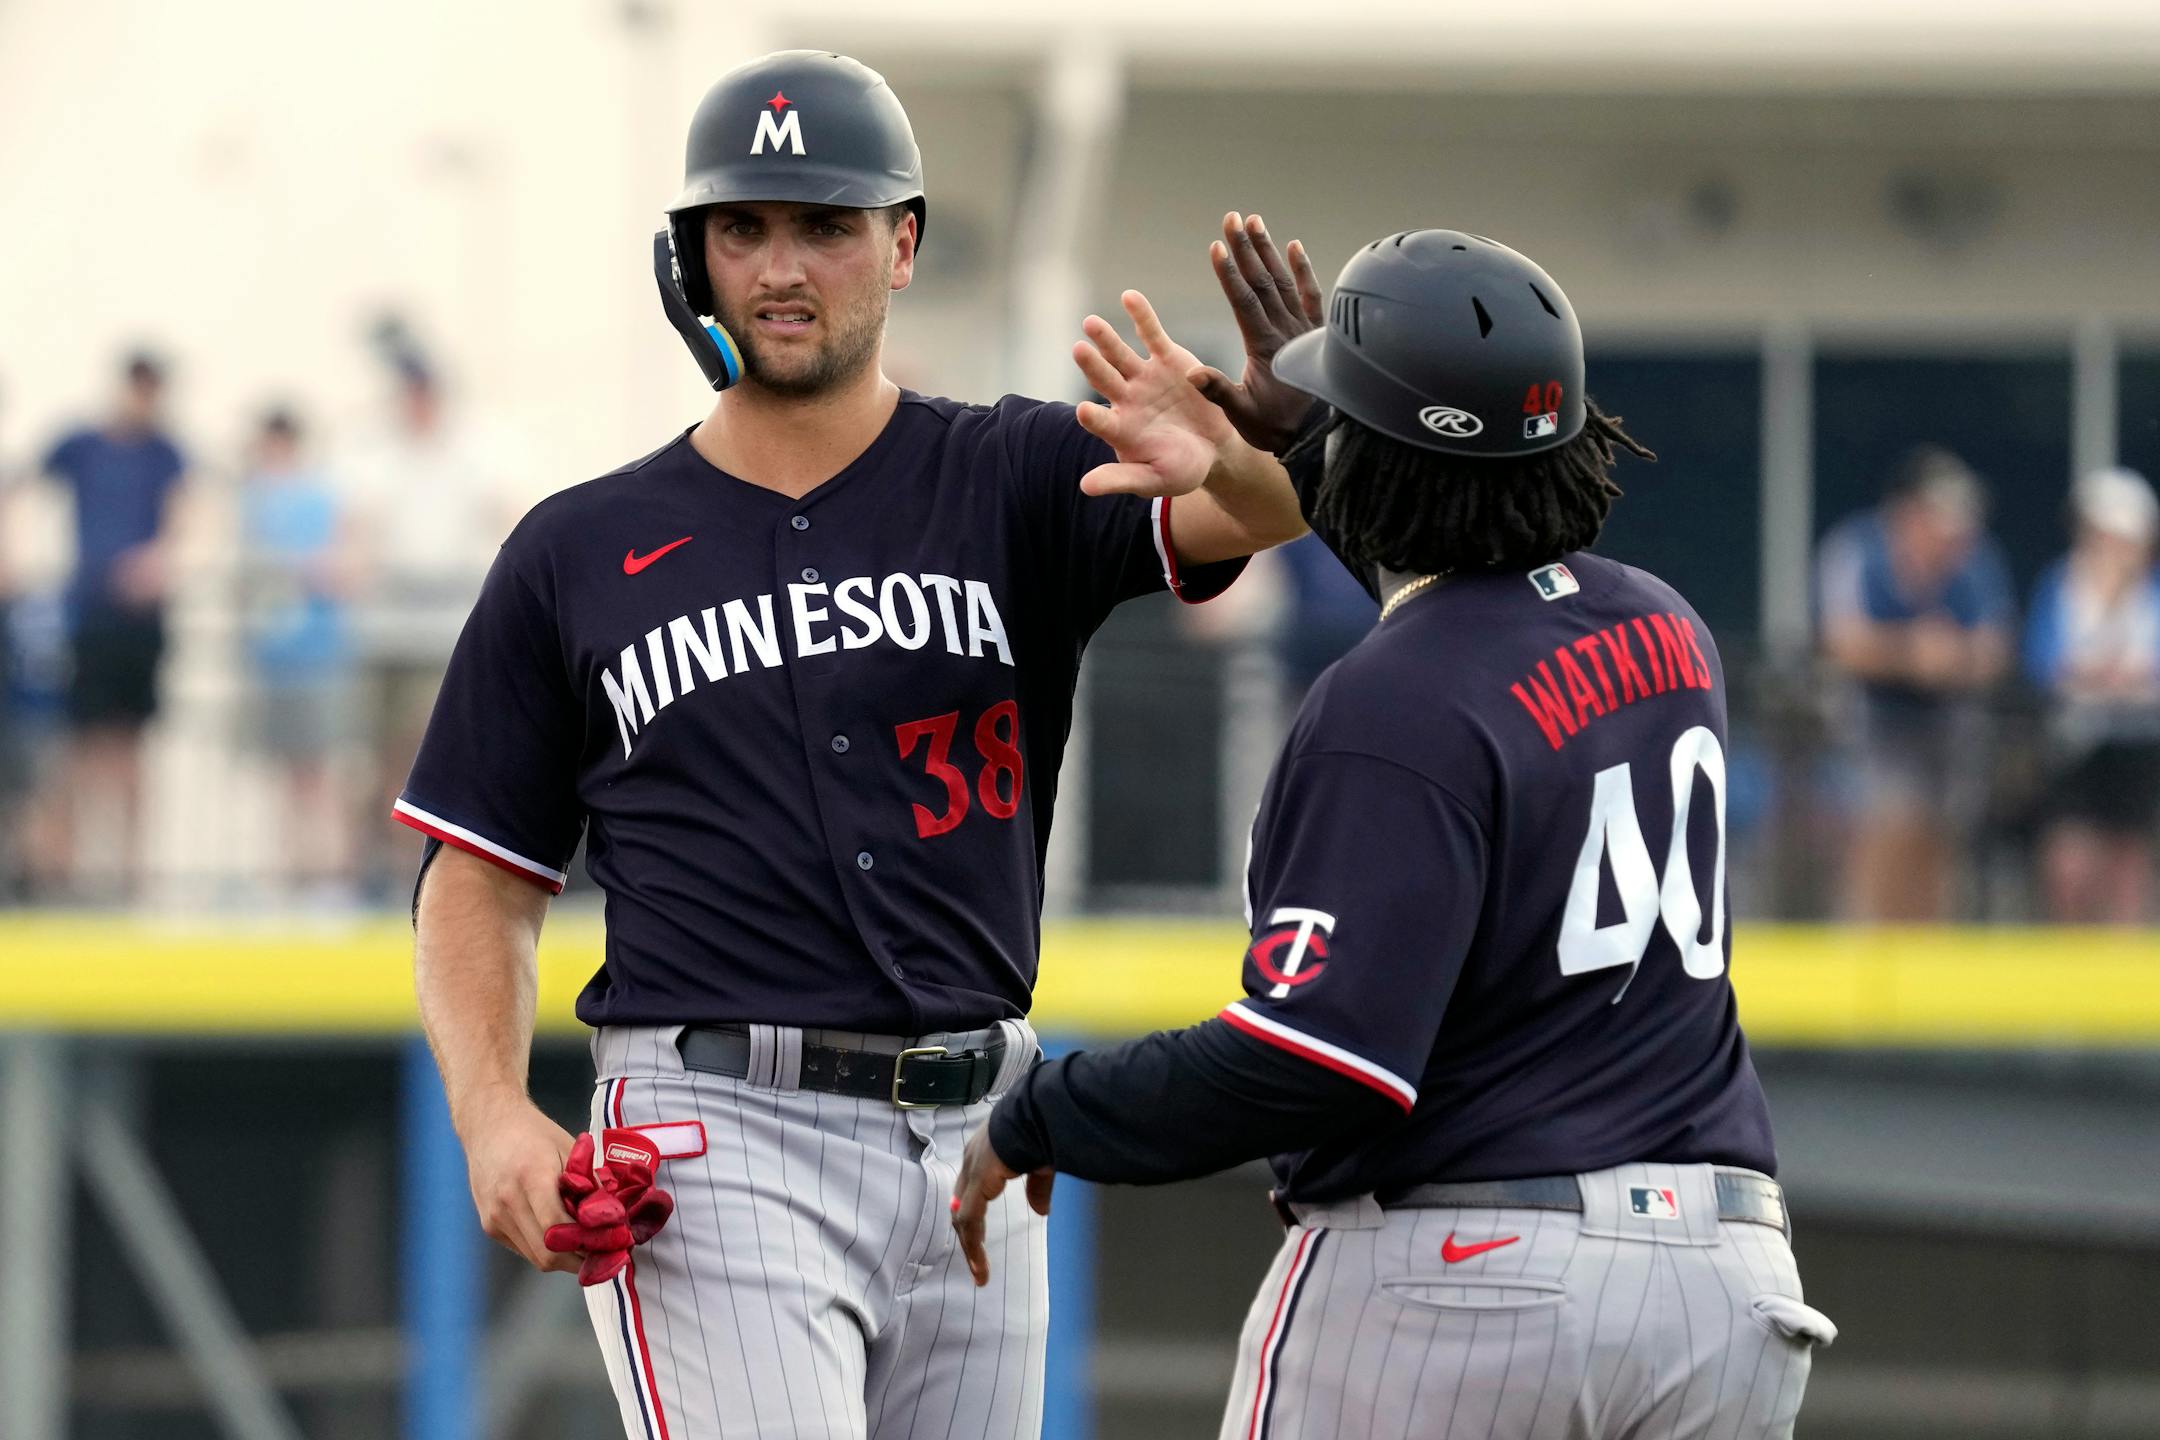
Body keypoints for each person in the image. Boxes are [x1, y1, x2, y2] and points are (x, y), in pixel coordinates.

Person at [398, 51, 1308, 1440]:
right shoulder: (575, 550)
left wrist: (1264, 443)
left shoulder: (1013, 473)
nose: (779, 266)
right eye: (742, 227)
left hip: (979, 1131)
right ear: (690, 256)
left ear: (902, 243)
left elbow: (1256, 517)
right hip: (716, 1133)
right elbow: (479, 870)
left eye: (824, 225)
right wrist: (492, 1117)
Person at [954, 230, 1835, 1440]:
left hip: (1473, 1283)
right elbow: (1463, 585)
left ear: (1379, 454)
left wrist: (1047, 1109)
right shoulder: (1667, 628)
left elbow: (1318, 1060)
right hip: (1729, 1287)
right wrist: (1313, 443)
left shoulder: (1387, 703)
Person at [341, 340, 521, 900]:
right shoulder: (376, 454)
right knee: (372, 754)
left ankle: (410, 868)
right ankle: (368, 867)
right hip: (382, 628)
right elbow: (357, 530)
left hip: (441, 628)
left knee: (422, 747)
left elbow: (510, 515)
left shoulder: (473, 452)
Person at [1816, 447, 2014, 920]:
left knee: (1942, 844)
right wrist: (1912, 653)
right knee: (1884, 830)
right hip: (1872, 721)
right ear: (1907, 511)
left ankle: (1931, 961)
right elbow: (1842, 641)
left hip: (1949, 724)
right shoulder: (1856, 549)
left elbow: (1996, 649)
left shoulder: (1976, 557)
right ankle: (1868, 956)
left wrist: (1950, 658)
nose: (1950, 530)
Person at [37, 349, 187, 898]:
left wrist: (160, 559)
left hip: (140, 623)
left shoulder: (165, 453)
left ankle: (129, 874)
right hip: (89, 617)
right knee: (81, 746)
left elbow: (183, 513)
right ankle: (73, 871)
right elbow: (27, 486)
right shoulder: (81, 445)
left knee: (132, 748)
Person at [2024, 466, 2160, 923]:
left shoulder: (2152, 598)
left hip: (2139, 747)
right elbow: (2043, 664)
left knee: (2129, 863)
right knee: (2071, 865)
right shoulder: (2061, 589)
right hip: (2076, 746)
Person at [237, 407, 356, 898]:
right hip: (270, 658)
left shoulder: (320, 498)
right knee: (280, 774)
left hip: (316, 651)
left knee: (321, 772)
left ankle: (328, 877)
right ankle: (286, 875)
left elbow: (338, 570)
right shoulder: (250, 502)